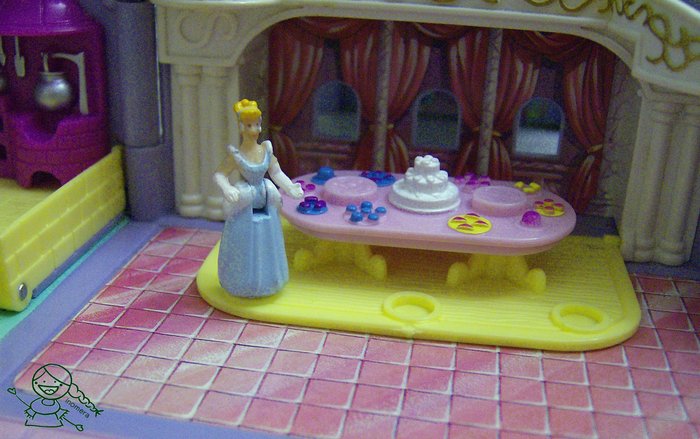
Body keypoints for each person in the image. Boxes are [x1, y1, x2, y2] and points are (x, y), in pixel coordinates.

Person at [214, 99, 303, 297]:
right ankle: (240, 282)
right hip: (245, 200)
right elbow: (219, 175)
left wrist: (289, 187)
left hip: (265, 196)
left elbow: (276, 172)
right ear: (241, 127)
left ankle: (271, 280)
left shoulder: (265, 150)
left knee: (268, 240)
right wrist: (227, 188)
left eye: (257, 124)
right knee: (244, 241)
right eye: (249, 125)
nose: (254, 129)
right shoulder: (236, 155)